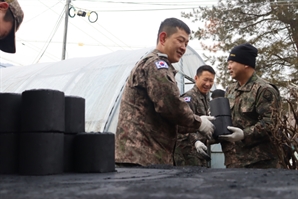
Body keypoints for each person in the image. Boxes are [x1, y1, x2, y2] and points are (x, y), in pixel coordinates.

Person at [115, 18, 215, 167]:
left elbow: (169, 120)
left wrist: (197, 122)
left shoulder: (159, 66)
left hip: (146, 156)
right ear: (163, 38)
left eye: (186, 44)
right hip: (141, 156)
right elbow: (170, 106)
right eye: (180, 41)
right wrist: (199, 123)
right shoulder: (156, 65)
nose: (183, 48)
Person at [218, 43, 281, 168]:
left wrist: (244, 134)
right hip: (233, 161)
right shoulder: (230, 90)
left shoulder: (264, 90)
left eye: (231, 62)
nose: (228, 67)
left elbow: (270, 124)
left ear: (246, 63)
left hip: (260, 163)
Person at [174, 65, 216, 167]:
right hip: (187, 152)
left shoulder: (205, 98)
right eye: (205, 80)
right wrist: (195, 141)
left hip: (199, 151)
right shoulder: (189, 98)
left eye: (211, 81)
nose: (208, 84)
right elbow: (180, 125)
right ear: (196, 78)